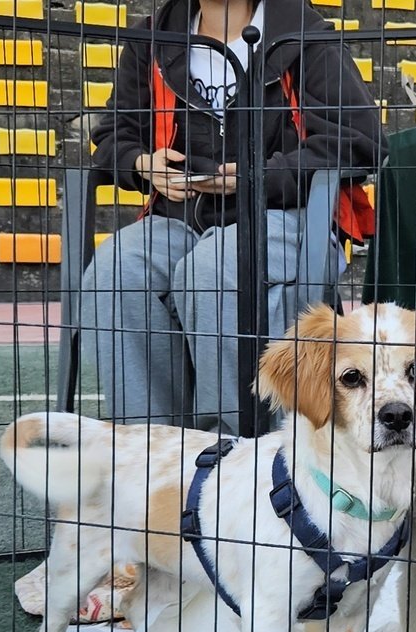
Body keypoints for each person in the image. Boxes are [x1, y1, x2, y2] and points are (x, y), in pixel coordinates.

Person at [82, 0, 384, 434]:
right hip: (180, 215)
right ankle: (147, 452)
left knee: (215, 263)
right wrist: (141, 163)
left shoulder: (307, 34)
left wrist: (258, 177)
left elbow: (360, 139)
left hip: (285, 213)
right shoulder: (148, 39)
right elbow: (114, 134)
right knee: (118, 267)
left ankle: (226, 453)